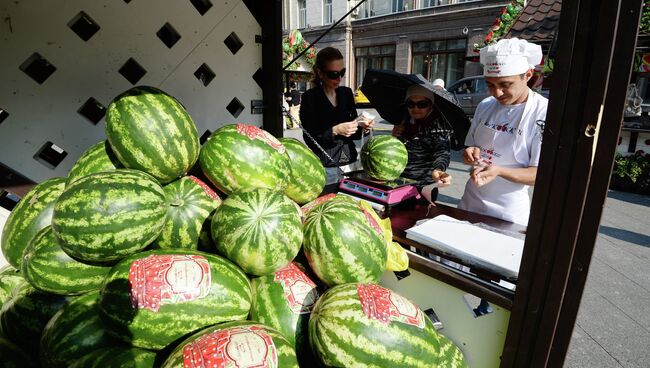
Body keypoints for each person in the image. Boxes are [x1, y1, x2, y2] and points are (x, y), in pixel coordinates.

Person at [458, 38, 548, 225]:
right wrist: (469, 152)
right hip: (470, 201)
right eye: (490, 84)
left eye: (505, 84)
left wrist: (499, 171)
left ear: (528, 74)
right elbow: (471, 146)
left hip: (508, 212)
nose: (496, 93)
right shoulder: (485, 105)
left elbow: (540, 175)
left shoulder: (543, 112)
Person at [299, 47, 374, 184]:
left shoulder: (346, 93)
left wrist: (363, 126)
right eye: (333, 74)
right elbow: (309, 137)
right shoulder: (310, 97)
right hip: (325, 166)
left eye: (342, 72)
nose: (339, 78)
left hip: (351, 164)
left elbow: (355, 133)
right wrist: (334, 131)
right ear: (320, 73)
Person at [391, 84, 452, 201]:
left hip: (423, 187)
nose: (416, 109)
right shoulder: (404, 121)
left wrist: (438, 169)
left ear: (430, 105)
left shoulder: (438, 126)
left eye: (422, 104)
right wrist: (394, 137)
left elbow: (442, 152)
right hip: (400, 184)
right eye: (411, 104)